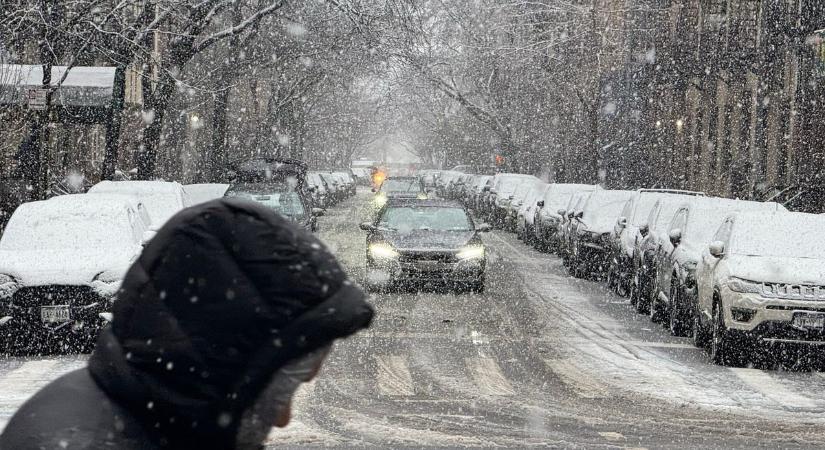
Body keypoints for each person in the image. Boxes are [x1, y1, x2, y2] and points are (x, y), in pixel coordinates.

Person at [0, 198, 374, 449]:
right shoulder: (91, 440)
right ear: (225, 360)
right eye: (280, 388)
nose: (284, 417)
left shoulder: (144, 415)